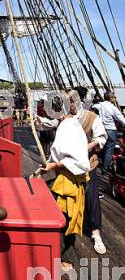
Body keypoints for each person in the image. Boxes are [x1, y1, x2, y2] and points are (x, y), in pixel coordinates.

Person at [42, 115, 90, 271]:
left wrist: (54, 164)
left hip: (70, 182)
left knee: (67, 219)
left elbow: (78, 161)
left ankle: (66, 257)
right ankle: (56, 252)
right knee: (61, 217)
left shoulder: (70, 126)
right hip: (62, 179)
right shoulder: (66, 123)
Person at [69, 87, 107, 255]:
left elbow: (101, 137)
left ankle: (95, 232)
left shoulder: (92, 117)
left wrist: (86, 146)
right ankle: (69, 227)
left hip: (87, 163)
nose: (67, 103)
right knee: (68, 195)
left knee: (91, 196)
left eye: (70, 100)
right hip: (69, 165)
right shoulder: (66, 118)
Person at [93, 91, 125, 174]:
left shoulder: (98, 105)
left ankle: (102, 163)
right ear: (111, 98)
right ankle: (105, 169)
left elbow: (92, 112)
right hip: (111, 130)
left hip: (101, 130)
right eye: (114, 97)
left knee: (102, 148)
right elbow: (121, 119)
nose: (115, 99)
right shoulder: (113, 108)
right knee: (109, 149)